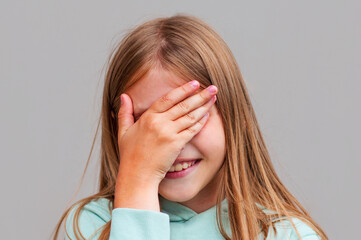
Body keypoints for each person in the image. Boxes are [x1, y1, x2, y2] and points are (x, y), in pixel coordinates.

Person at [52, 14, 328, 240]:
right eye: (148, 125)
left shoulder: (289, 235)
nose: (170, 142)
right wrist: (138, 183)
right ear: (119, 130)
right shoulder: (89, 227)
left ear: (235, 116)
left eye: (190, 116)